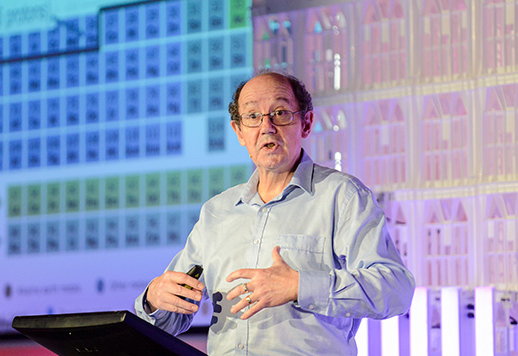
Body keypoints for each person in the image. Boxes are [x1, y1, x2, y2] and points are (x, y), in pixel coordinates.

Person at [134, 71, 415, 355]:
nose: (267, 126)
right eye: (253, 116)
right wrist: (154, 300)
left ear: (306, 123)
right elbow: (172, 316)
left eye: (280, 113)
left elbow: (396, 290)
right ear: (239, 131)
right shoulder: (217, 212)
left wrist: (300, 285)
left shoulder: (342, 196)